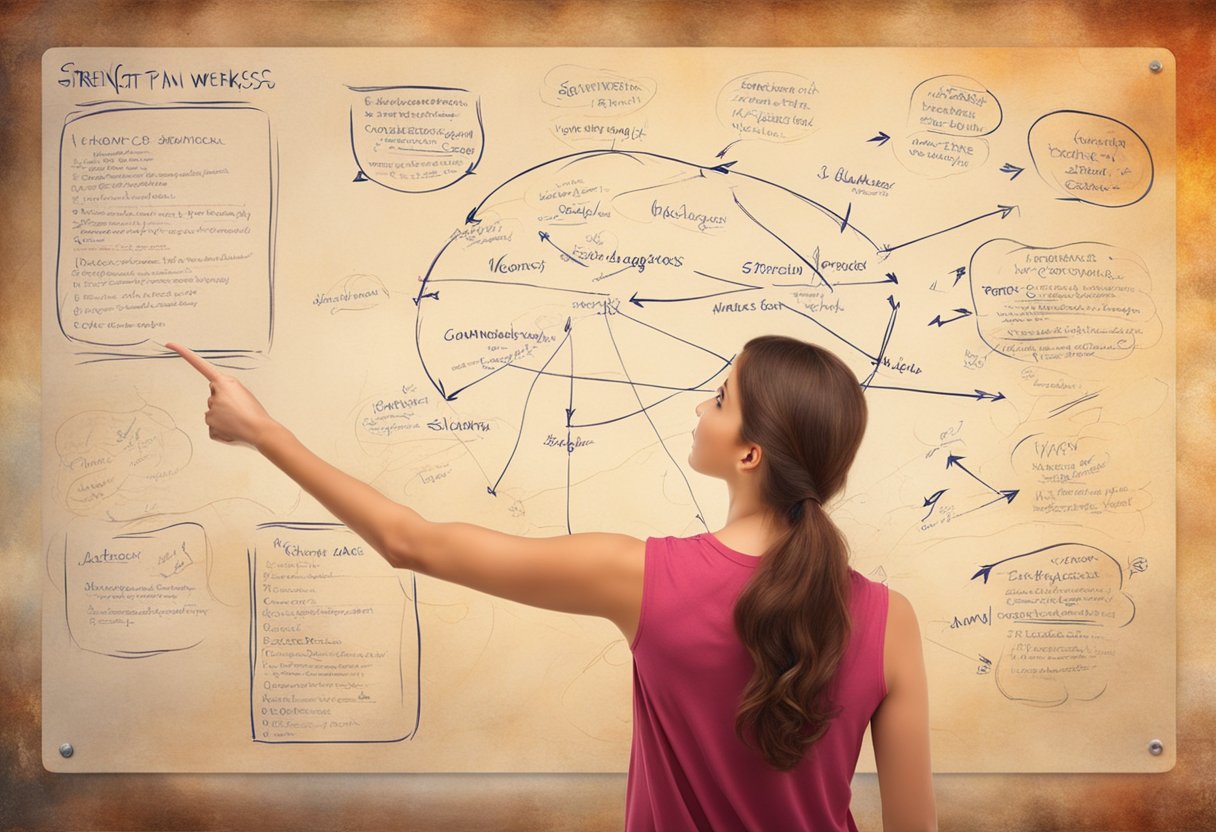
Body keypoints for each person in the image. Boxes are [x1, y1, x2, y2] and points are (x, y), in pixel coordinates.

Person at [168, 334, 936, 832]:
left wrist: (262, 431)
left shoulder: (645, 579)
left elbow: (411, 543)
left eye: (720, 397)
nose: (701, 408)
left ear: (750, 455)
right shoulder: (887, 619)